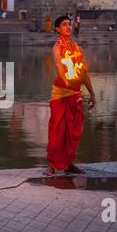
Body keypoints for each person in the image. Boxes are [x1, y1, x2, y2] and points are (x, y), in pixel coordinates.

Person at [44, 15, 96, 177]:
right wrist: (66, 80)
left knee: (74, 130)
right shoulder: (57, 47)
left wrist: (92, 93)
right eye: (64, 25)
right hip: (60, 92)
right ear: (58, 29)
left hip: (75, 92)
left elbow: (84, 72)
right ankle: (51, 165)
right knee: (57, 129)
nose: (68, 27)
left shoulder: (76, 47)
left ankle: (69, 163)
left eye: (69, 24)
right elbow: (60, 64)